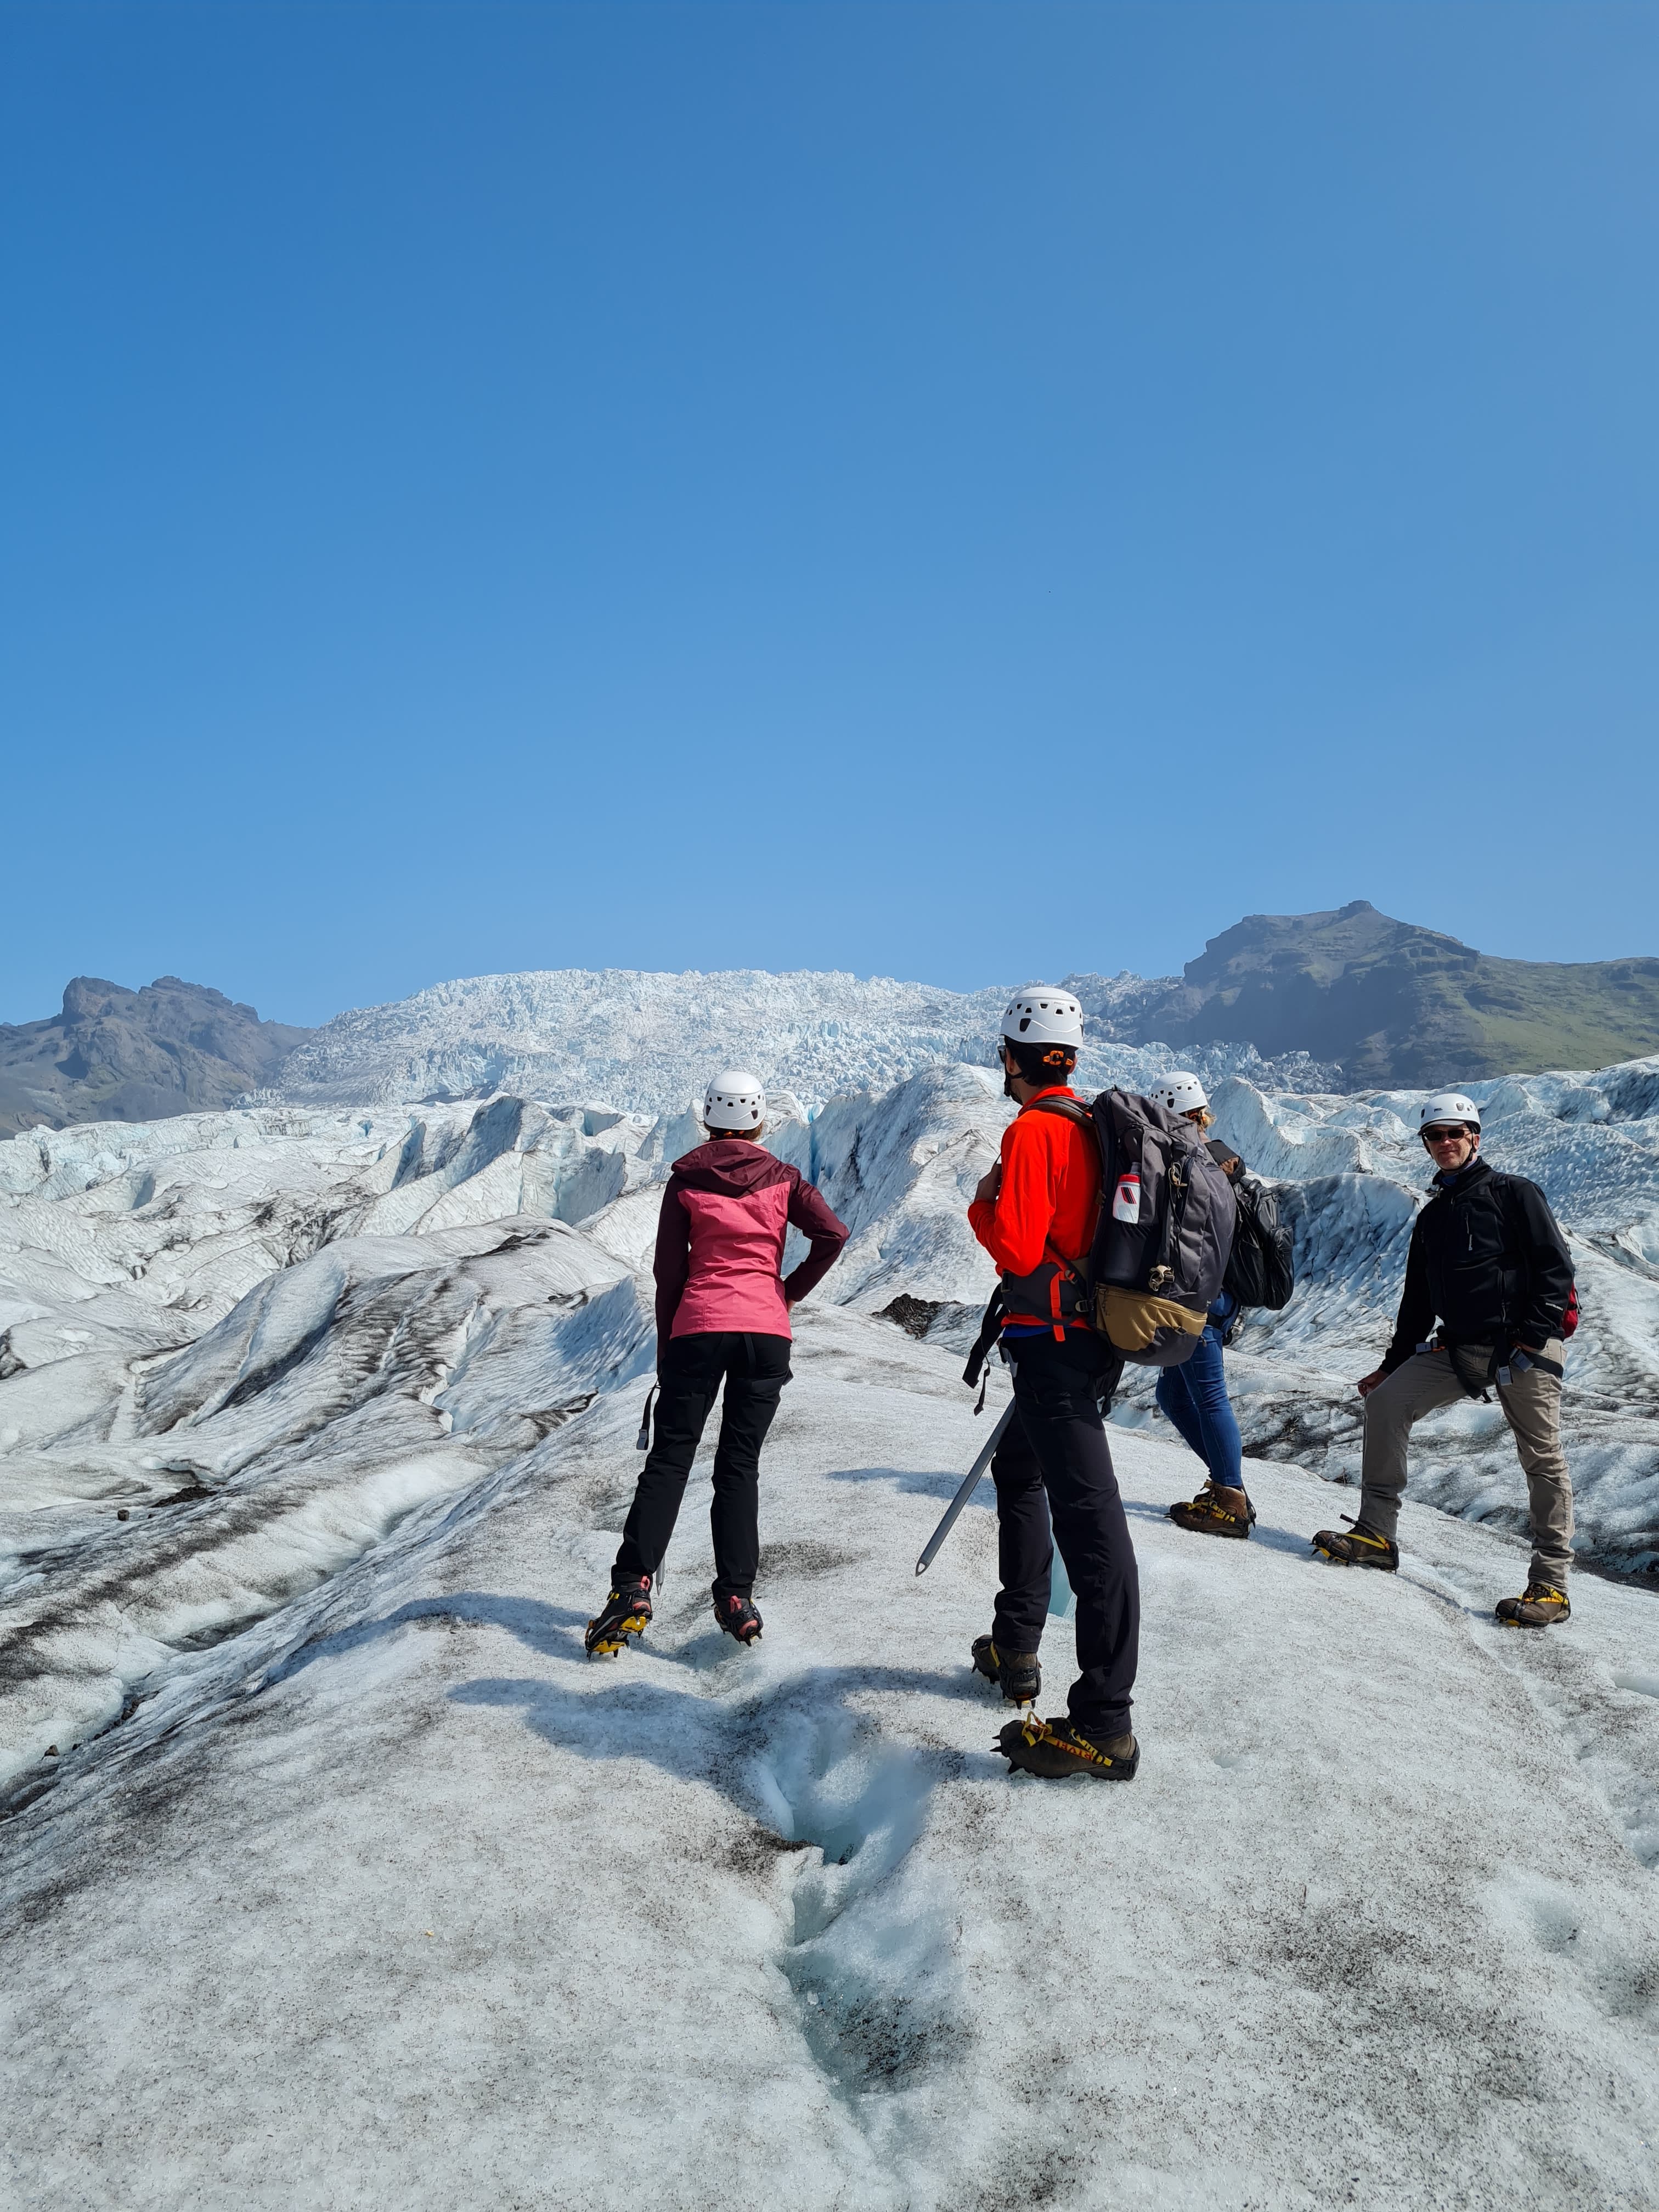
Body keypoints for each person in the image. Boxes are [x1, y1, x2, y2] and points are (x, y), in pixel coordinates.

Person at [585, 1070, 849, 1656]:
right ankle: (736, 1595)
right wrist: (787, 1291)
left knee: (672, 1459)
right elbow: (832, 1233)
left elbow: (668, 1274)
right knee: (738, 1466)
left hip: (700, 1326)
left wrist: (669, 1341)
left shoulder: (686, 1181)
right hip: (765, 1333)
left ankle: (633, 1586)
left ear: (707, 1120)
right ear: (759, 1123)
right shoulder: (785, 1179)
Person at [1311, 1090, 1577, 1626]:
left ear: (1475, 1138)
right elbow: (1418, 1301)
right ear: (1427, 1144)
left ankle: (1551, 1588)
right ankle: (1377, 1535)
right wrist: (1390, 1366)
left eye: (1456, 1133)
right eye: (1435, 1135)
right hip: (1461, 1346)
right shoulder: (1434, 1217)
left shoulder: (1515, 1194)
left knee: (1541, 1457)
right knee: (1387, 1403)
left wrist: (1530, 1333)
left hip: (1522, 1346)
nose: (1446, 1142)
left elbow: (1556, 1268)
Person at [968, 988, 1140, 1781]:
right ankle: (1018, 1641)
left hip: (1052, 1343)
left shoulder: (1035, 1130)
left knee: (1092, 1523)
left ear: (1012, 1057)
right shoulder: (1091, 1128)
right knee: (1020, 1472)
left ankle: (1104, 1722)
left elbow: (1016, 1244)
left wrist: (981, 1203)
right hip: (1091, 1336)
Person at [1147, 1073, 1252, 1538]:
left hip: (1201, 1299)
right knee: (1172, 1395)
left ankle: (1231, 1495)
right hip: (1217, 1296)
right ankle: (1228, 1485)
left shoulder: (1196, 1165)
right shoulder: (1218, 1159)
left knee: (1209, 1396)